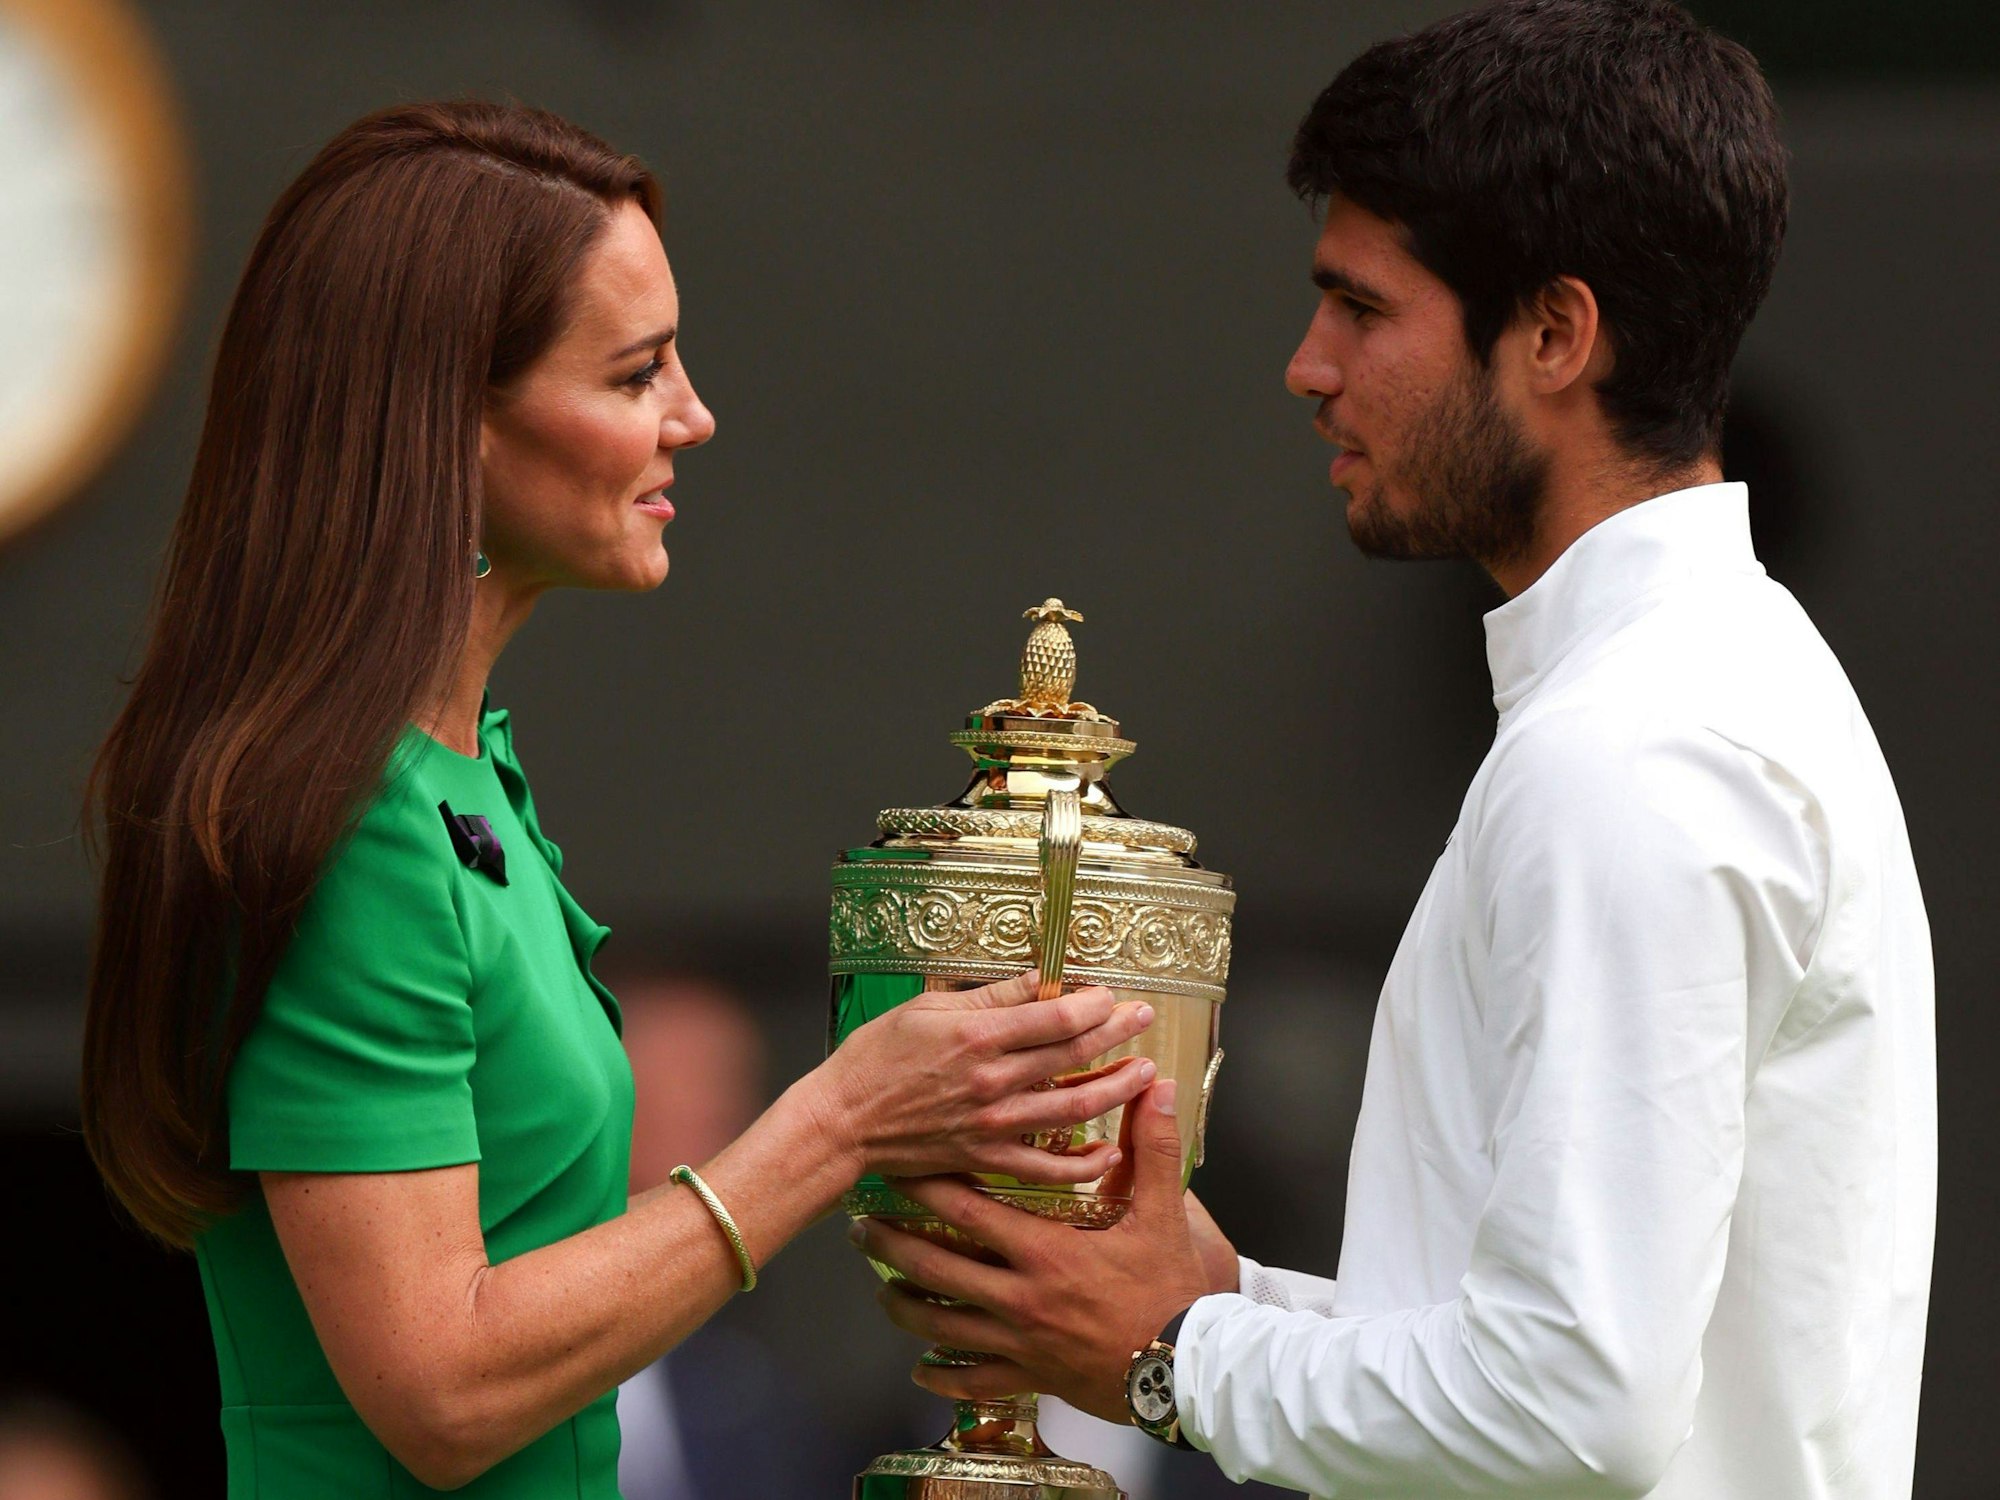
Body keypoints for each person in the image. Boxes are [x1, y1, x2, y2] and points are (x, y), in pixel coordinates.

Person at [852, 4, 1937, 1498]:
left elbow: (1579, 1409)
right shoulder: (1694, 698)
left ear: (1555, 333)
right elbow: (1557, 1373)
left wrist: (1174, 1357)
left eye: (1362, 308)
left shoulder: (1635, 751)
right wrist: (1218, 1310)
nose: (1309, 368)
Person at [77, 101, 1160, 1499]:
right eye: (636, 373)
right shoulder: (355, 824)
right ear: (449, 416)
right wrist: (839, 1124)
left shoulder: (466, 779)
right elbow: (443, 1391)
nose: (693, 417)